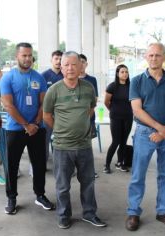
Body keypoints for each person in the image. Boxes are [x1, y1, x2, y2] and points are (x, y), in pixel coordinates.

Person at [43, 51, 107, 229]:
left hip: (84, 145)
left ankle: (89, 213)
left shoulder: (88, 88)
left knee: (88, 182)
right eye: (66, 65)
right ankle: (64, 216)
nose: (70, 68)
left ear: (81, 66)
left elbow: (91, 108)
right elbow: (46, 115)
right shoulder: (53, 90)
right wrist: (61, 129)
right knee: (62, 185)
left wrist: (80, 124)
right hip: (62, 147)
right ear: (61, 67)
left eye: (74, 64)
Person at [126, 43, 165, 231]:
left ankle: (163, 211)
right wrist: (160, 129)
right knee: (138, 174)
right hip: (145, 134)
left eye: (158, 55)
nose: (153, 58)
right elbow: (137, 109)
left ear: (164, 58)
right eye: (150, 55)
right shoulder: (136, 81)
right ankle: (133, 212)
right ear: (145, 57)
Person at [0, 42, 55, 215]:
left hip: (37, 129)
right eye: (24, 55)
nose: (27, 58)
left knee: (39, 164)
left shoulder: (38, 78)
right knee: (12, 165)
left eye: (30, 55)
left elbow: (44, 104)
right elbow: (8, 105)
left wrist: (35, 124)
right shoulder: (8, 78)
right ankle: (12, 198)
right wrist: (25, 125)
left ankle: (40, 195)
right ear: (17, 56)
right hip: (15, 129)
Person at [103, 64, 133, 174]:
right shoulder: (112, 86)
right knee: (115, 141)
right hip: (115, 117)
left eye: (126, 72)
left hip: (128, 117)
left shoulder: (131, 86)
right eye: (122, 72)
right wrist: (113, 110)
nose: (125, 74)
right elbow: (106, 102)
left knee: (124, 142)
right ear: (117, 73)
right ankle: (107, 164)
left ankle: (120, 163)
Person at [79, 53, 100, 178]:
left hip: (88, 118)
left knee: (87, 146)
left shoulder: (92, 80)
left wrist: (86, 116)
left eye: (83, 62)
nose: (81, 64)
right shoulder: (71, 78)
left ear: (86, 64)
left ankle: (89, 170)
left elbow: (94, 99)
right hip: (73, 121)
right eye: (79, 61)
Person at [41, 50, 63, 163]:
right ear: (51, 60)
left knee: (61, 140)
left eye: (61, 59)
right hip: (47, 114)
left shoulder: (66, 76)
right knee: (45, 140)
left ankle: (60, 164)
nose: (59, 61)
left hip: (62, 115)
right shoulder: (43, 76)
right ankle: (42, 165)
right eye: (56, 59)